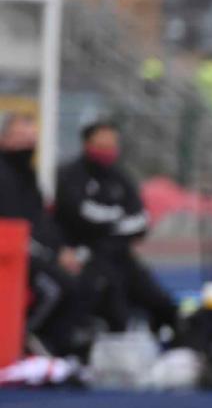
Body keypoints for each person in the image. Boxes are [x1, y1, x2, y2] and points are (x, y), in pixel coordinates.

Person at [53, 119, 180, 343]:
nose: (107, 150)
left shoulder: (121, 178)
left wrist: (110, 224)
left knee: (161, 301)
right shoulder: (70, 175)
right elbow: (79, 215)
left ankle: (167, 339)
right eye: (102, 144)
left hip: (120, 255)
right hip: (86, 255)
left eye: (112, 144)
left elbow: (141, 220)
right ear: (87, 143)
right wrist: (118, 220)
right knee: (112, 303)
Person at [0, 114, 91, 358]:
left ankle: (59, 344)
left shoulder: (28, 176)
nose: (27, 144)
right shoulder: (4, 176)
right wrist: (52, 255)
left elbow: (41, 221)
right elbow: (14, 226)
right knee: (55, 287)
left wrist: (62, 250)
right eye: (20, 137)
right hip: (11, 254)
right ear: (5, 139)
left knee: (89, 278)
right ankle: (19, 341)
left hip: (31, 250)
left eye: (31, 139)